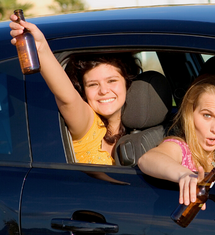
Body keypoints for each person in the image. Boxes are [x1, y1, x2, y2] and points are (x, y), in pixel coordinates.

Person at [9, 15, 141, 165]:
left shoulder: (147, 127)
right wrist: (41, 49)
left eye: (112, 81)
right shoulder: (89, 125)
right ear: (83, 90)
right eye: (93, 84)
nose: (103, 90)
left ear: (127, 83)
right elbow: (68, 98)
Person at [138, 74, 215, 207]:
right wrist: (185, 175)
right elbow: (148, 159)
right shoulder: (181, 148)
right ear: (190, 113)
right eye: (207, 115)